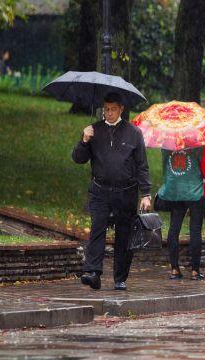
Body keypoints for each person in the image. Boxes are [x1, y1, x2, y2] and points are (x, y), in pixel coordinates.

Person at [72, 92, 151, 291]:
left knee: (124, 235)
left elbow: (142, 165)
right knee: (97, 228)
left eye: (113, 109)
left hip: (126, 192)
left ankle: (120, 277)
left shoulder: (134, 133)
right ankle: (93, 272)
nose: (108, 113)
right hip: (100, 190)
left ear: (121, 109)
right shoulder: (94, 130)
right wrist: (84, 140)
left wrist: (146, 194)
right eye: (106, 109)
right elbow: (78, 159)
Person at [157, 146, 205, 281]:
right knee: (195, 230)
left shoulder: (167, 147)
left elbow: (167, 171)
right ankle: (195, 271)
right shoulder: (199, 147)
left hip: (175, 192)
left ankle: (175, 270)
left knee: (174, 228)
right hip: (197, 192)